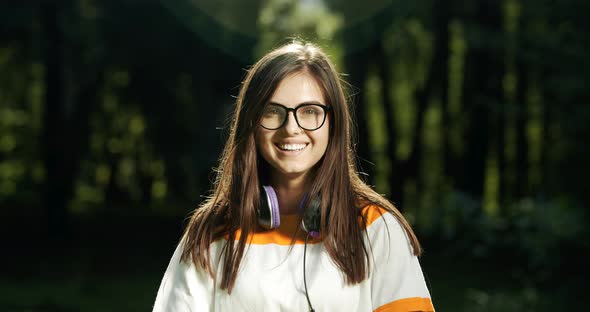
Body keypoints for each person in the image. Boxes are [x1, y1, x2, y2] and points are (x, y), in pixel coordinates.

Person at [152, 41, 435, 312]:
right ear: (252, 122)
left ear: (333, 123)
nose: (291, 128)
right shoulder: (211, 231)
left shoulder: (376, 228)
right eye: (273, 112)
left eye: (310, 111)